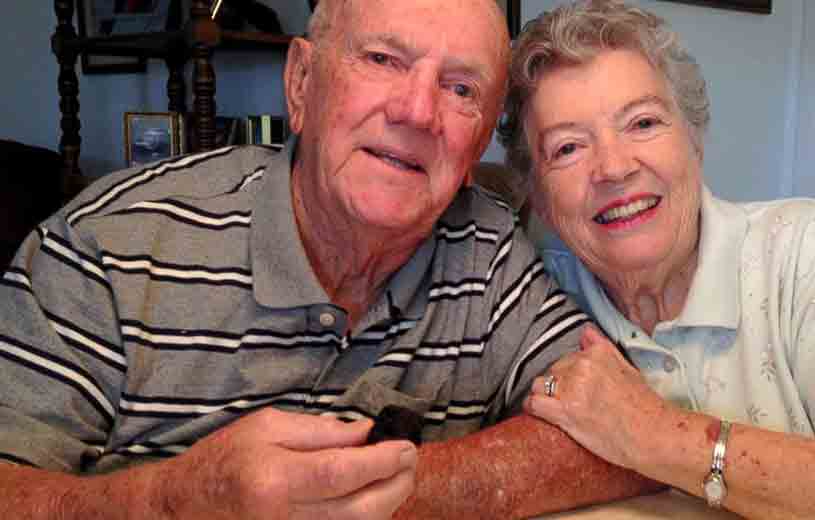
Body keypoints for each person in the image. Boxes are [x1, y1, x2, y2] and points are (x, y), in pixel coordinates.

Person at [0, 0, 662, 518]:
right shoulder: (107, 247)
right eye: (382, 59)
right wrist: (171, 501)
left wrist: (375, 496)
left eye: (461, 89)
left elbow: (624, 435)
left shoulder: (487, 249)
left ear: (477, 145)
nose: (417, 111)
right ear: (301, 83)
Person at [497, 1, 815, 518]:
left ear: (694, 143)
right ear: (538, 194)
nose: (614, 168)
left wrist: (657, 436)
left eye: (642, 122)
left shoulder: (804, 254)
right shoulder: (528, 298)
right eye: (568, 148)